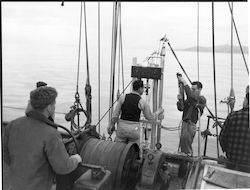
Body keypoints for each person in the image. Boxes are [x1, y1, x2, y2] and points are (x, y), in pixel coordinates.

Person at [3, 86, 82, 190]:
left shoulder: (12, 125)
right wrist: (75, 159)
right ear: (49, 108)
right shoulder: (51, 134)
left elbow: (5, 153)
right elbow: (63, 167)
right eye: (54, 105)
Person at [107, 79, 164, 145]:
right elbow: (150, 117)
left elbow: (115, 115)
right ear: (140, 89)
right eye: (143, 88)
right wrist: (159, 111)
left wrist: (113, 124)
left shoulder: (123, 97)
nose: (144, 90)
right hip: (134, 130)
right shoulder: (142, 102)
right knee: (133, 150)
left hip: (122, 128)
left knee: (119, 149)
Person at [219, 92, 250, 173]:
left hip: (231, 162)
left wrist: (228, 152)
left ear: (246, 101)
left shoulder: (232, 116)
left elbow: (222, 137)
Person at [177, 75, 206, 156]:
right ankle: (184, 163)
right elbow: (181, 108)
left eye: (194, 89)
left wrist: (185, 83)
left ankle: (188, 163)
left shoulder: (201, 99)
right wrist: (180, 100)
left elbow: (191, 97)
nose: (192, 91)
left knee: (186, 148)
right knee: (183, 145)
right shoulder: (190, 100)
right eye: (191, 89)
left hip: (190, 125)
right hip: (184, 124)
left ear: (199, 90)